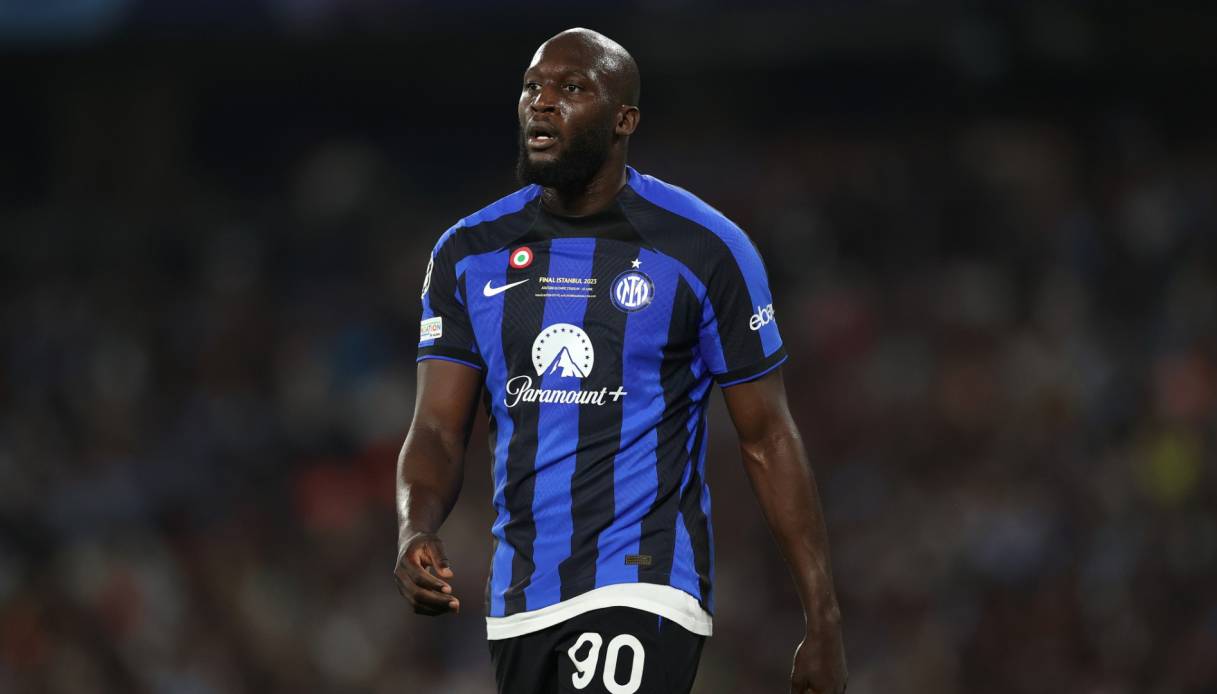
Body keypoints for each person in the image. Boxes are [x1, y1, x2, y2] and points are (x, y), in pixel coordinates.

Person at [394, 27, 847, 694]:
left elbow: (767, 436)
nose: (542, 102)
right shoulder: (469, 252)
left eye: (572, 88)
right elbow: (436, 427)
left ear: (623, 120)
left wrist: (823, 616)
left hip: (643, 580)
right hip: (520, 598)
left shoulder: (704, 248)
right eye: (532, 87)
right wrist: (414, 528)